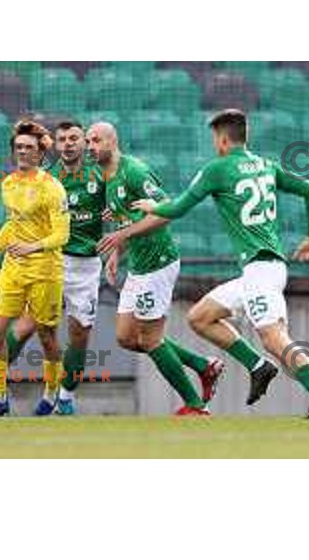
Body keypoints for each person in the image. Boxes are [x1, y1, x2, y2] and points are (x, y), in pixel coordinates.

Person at [131, 109, 309, 419]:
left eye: (215, 137)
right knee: (201, 317)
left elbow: (177, 208)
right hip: (267, 268)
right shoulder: (266, 166)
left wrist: (153, 206)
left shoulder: (217, 169)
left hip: (259, 271)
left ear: (223, 138)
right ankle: (258, 367)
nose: (214, 143)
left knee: (273, 337)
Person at [92, 122, 224, 416]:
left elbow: (166, 211)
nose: (90, 146)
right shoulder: (108, 178)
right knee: (127, 337)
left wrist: (120, 236)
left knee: (150, 339)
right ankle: (204, 366)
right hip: (138, 264)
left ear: (113, 141)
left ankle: (195, 405)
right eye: (88, 140)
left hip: (158, 262)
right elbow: (128, 219)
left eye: (96, 140)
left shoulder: (135, 171)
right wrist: (117, 252)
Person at [2, 121, 107, 415]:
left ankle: (65, 397)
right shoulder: (46, 180)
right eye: (62, 139)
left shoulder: (100, 176)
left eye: (74, 138)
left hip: (86, 267)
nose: (69, 143)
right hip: (52, 260)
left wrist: (116, 243)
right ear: (55, 145)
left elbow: (121, 209)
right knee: (24, 326)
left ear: (85, 143)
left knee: (79, 336)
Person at [0, 120, 70, 417]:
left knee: (48, 338)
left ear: (40, 154)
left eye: (29, 147)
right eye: (19, 147)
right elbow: (12, 224)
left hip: (45, 270)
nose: (23, 152)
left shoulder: (52, 188)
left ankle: (52, 392)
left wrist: (33, 247)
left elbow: (61, 235)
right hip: (13, 268)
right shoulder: (8, 184)